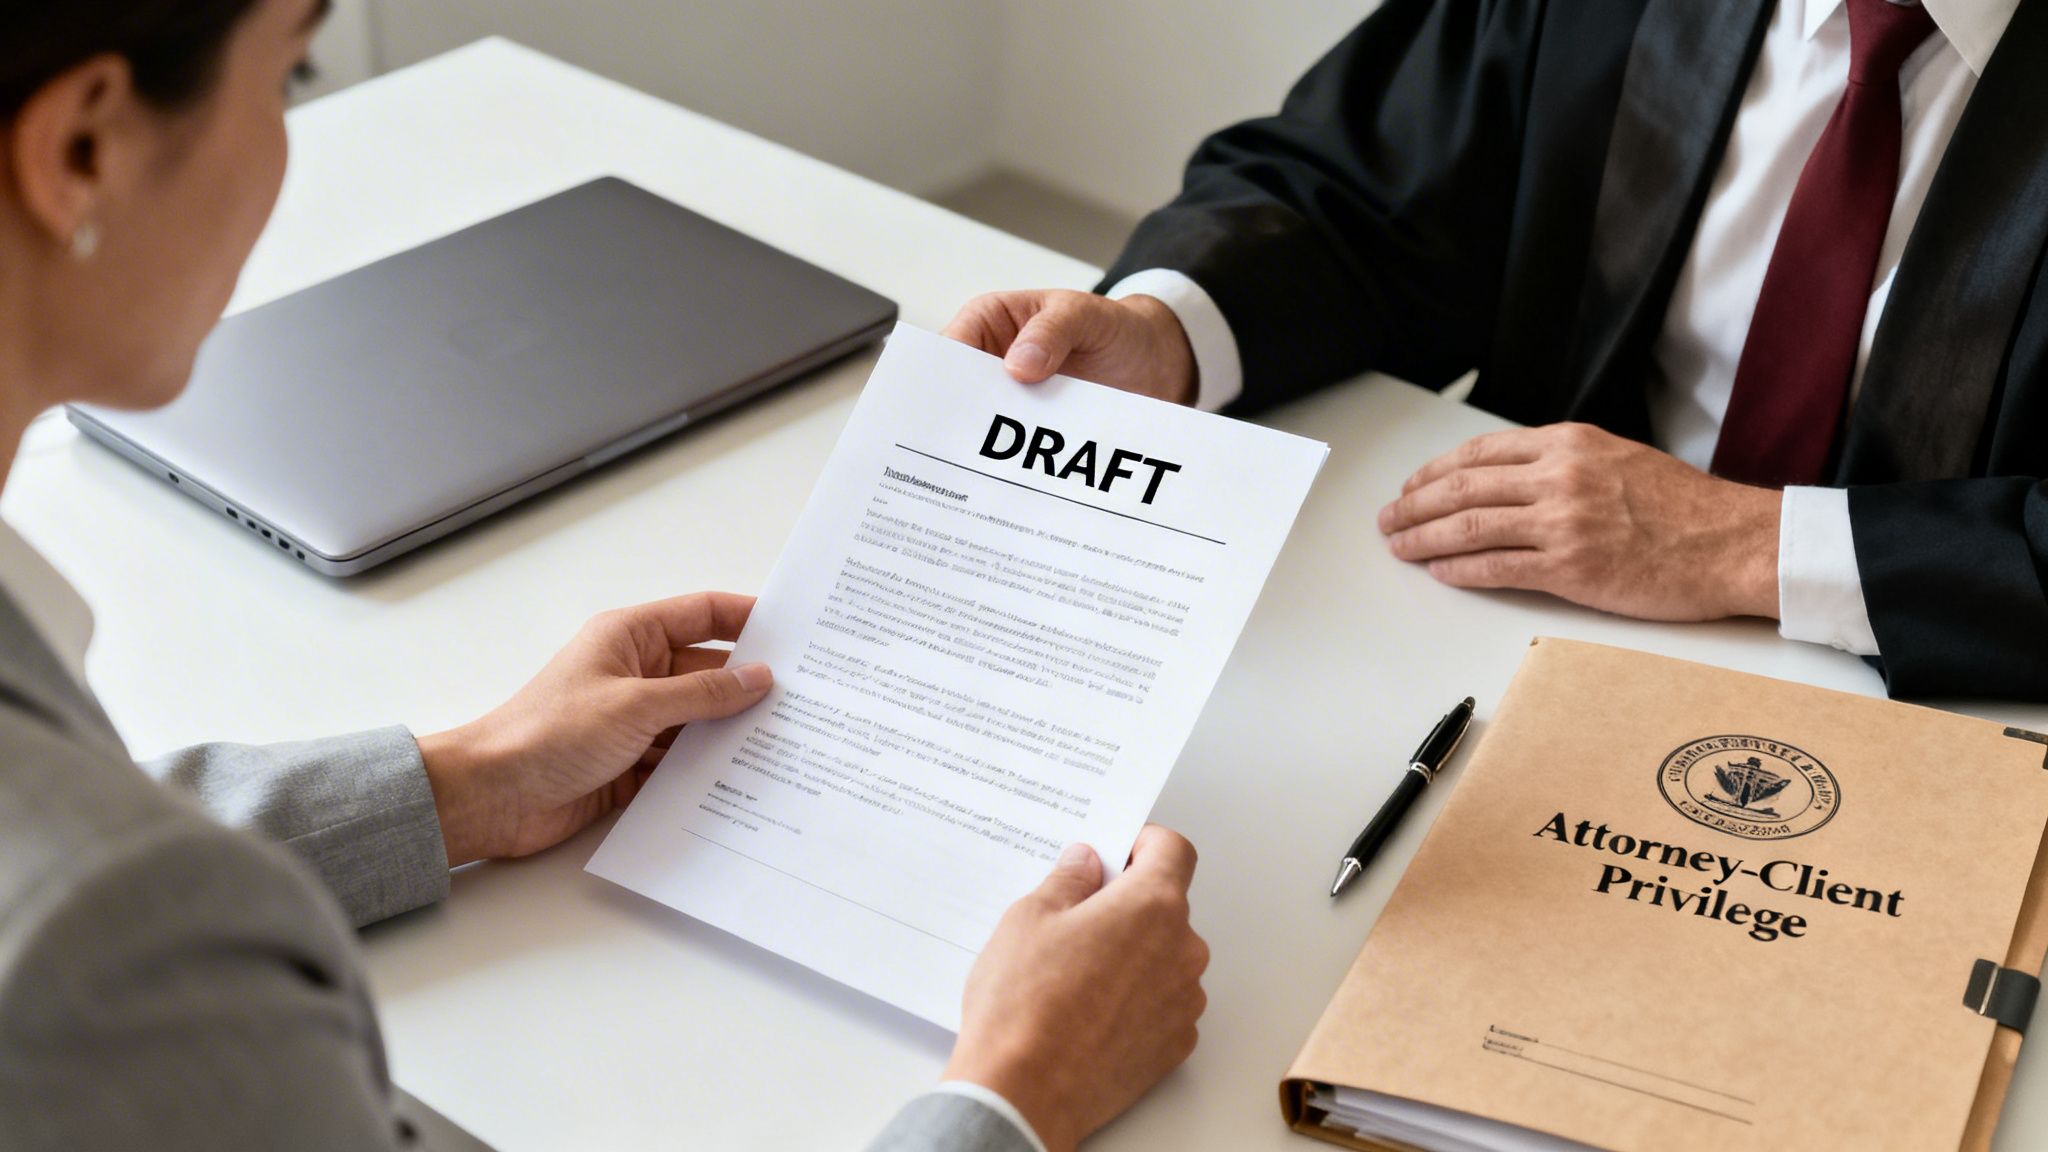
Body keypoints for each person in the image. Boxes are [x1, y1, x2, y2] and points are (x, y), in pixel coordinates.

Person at [0, 3, 1207, 1150]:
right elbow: (87, 914)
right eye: (286, 75)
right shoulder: (107, 950)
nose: (283, 150)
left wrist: (465, 783)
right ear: (80, 148)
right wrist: (1020, 1087)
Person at [947, 0, 2048, 701]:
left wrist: (1741, 547)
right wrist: (1168, 333)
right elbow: (1364, 195)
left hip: (1939, 692)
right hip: (1512, 633)